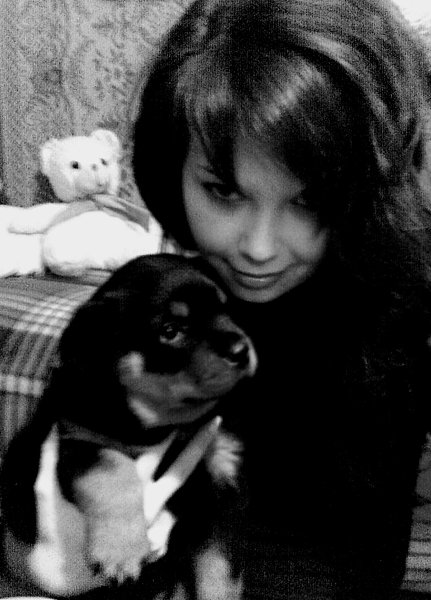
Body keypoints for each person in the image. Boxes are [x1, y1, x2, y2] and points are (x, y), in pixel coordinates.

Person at [132, 0, 431, 597]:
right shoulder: (165, 301)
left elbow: (349, 556)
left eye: (308, 200)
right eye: (223, 191)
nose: (259, 249)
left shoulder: (397, 315)